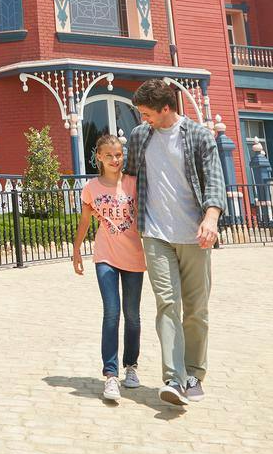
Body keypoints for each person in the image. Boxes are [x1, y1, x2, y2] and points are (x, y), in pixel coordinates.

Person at [125, 78, 226, 407]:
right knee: (167, 304)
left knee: (196, 309)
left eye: (147, 113)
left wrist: (210, 218)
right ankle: (173, 377)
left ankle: (195, 373)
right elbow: (128, 177)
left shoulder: (197, 136)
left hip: (194, 235)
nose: (143, 119)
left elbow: (214, 179)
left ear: (165, 108)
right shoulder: (141, 136)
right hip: (155, 233)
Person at [72, 130, 146, 400]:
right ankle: (111, 374)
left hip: (134, 256)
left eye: (118, 155)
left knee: (133, 315)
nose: (115, 160)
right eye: (109, 156)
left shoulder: (134, 184)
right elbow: (85, 221)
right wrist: (77, 249)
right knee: (112, 312)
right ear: (99, 158)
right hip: (105, 256)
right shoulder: (91, 188)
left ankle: (131, 366)